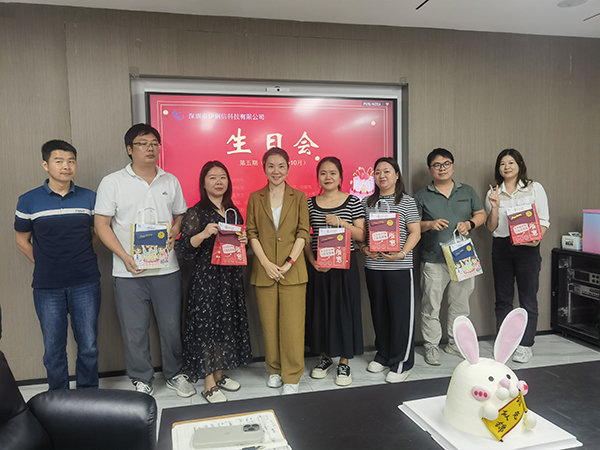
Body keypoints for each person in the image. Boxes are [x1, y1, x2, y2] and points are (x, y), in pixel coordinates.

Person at [94, 124, 195, 397]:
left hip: (166, 268)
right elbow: (101, 225)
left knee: (171, 327)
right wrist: (124, 256)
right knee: (134, 329)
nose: (150, 148)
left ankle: (175, 374)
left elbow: (180, 214)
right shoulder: (112, 182)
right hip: (129, 271)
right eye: (143, 143)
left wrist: (176, 228)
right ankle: (142, 379)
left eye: (154, 143)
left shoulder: (170, 181)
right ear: (130, 149)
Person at [14, 140, 101, 390]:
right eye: (59, 161)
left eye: (71, 161)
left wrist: (80, 255)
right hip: (47, 285)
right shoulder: (28, 200)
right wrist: (44, 262)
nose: (66, 166)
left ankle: (88, 395)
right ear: (45, 164)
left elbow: (98, 233)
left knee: (88, 345)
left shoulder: (90, 197)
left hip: (85, 281)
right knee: (53, 348)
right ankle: (58, 398)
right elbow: (21, 240)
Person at [175, 161, 253, 403]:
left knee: (225, 326)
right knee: (207, 328)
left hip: (230, 277)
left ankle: (219, 375)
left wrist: (244, 240)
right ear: (204, 183)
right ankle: (208, 383)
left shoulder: (233, 211)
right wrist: (203, 234)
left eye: (222, 177)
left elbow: (238, 245)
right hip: (207, 278)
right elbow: (183, 248)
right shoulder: (196, 212)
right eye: (212, 177)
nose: (218, 182)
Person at [414, 148, 486, 366]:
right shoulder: (421, 196)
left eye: (446, 163)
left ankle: (455, 343)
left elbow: (481, 214)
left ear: (453, 166)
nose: (442, 168)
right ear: (430, 169)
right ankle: (431, 346)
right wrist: (429, 224)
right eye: (437, 165)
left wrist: (470, 224)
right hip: (433, 259)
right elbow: (413, 225)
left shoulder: (468, 191)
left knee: (461, 305)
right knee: (431, 306)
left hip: (463, 258)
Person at [246, 147, 310, 395]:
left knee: (293, 326)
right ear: (264, 168)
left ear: (288, 168)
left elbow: (303, 232)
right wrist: (265, 263)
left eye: (281, 166)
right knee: (269, 325)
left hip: (292, 271)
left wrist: (288, 263)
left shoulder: (299, 197)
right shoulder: (255, 197)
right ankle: (274, 370)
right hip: (264, 271)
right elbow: (251, 232)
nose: (276, 171)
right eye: (271, 166)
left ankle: (292, 376)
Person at [357, 157, 420, 383]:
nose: (381, 176)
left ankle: (402, 362)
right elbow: (361, 234)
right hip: (374, 267)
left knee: (401, 316)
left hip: (400, 267)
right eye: (377, 172)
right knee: (380, 313)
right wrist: (364, 248)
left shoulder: (407, 201)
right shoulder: (366, 203)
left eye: (386, 171)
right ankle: (383, 355)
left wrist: (402, 253)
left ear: (396, 175)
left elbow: (415, 232)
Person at [304, 157, 366, 386]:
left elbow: (361, 234)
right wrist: (313, 261)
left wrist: (342, 223)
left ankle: (344, 362)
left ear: (340, 176)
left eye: (332, 173)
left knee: (344, 312)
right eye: (323, 173)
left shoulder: (353, 201)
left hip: (344, 267)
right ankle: (326, 358)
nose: (328, 177)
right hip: (320, 267)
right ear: (318, 177)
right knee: (321, 311)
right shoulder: (309, 204)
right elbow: (305, 237)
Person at [485, 149, 549, 363]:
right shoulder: (493, 192)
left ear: (520, 164)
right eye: (502, 163)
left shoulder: (534, 188)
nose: (507, 167)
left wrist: (537, 238)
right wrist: (494, 206)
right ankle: (505, 342)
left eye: (511, 162)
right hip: (501, 246)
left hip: (527, 247)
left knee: (527, 297)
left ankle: (525, 344)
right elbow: (491, 227)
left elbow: (544, 219)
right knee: (503, 298)